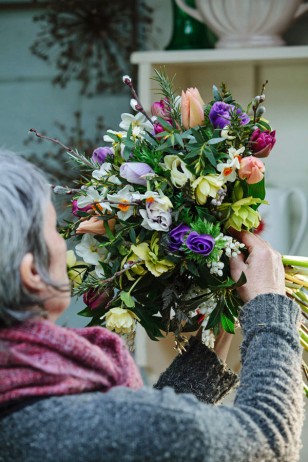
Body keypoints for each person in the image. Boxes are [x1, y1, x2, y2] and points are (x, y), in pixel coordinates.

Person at [0, 151, 304, 462]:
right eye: (52, 228)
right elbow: (270, 437)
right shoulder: (72, 425)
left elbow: (138, 439)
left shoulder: (24, 402)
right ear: (33, 273)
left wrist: (217, 331)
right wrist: (270, 305)